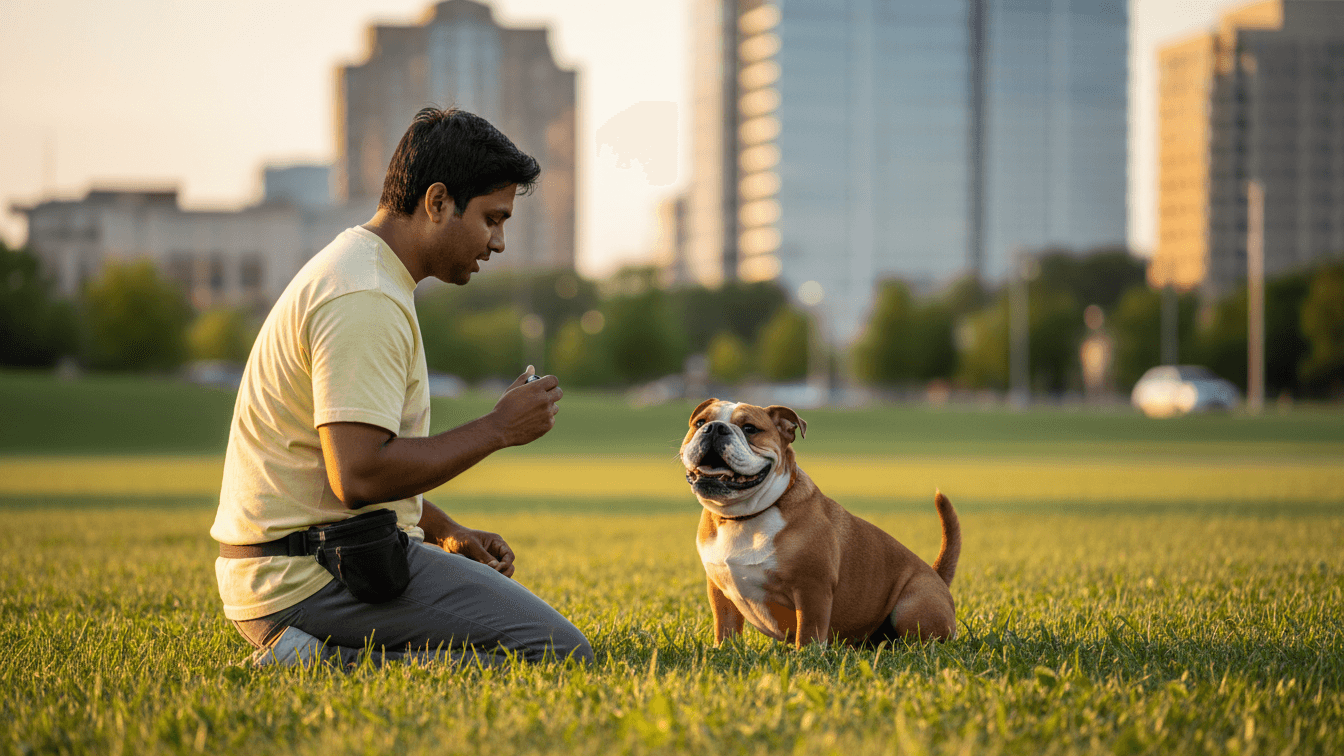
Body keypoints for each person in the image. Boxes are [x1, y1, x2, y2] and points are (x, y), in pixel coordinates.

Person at [211, 107, 592, 667]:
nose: (500, 242)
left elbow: (345, 463)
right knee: (556, 654)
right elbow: (359, 475)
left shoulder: (365, 272)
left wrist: (443, 529)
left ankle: (318, 648)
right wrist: (497, 429)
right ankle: (316, 660)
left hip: (304, 562)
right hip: (304, 577)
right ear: (437, 202)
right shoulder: (364, 295)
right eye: (492, 218)